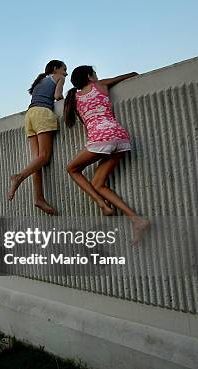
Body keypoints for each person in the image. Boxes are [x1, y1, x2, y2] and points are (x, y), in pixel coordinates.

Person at [63, 65, 150, 246]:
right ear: (90, 76)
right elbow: (132, 74)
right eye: (94, 73)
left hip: (101, 140)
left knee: (72, 168)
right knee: (98, 183)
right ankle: (136, 220)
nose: (97, 76)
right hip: (120, 137)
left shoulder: (75, 98)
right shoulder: (101, 86)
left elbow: (87, 126)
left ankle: (102, 204)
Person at [7, 60, 67, 215]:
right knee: (44, 157)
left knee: (36, 160)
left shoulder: (40, 81)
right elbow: (58, 95)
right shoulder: (58, 77)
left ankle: (39, 198)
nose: (66, 73)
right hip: (43, 113)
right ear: (56, 69)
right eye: (64, 69)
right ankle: (19, 177)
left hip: (30, 116)